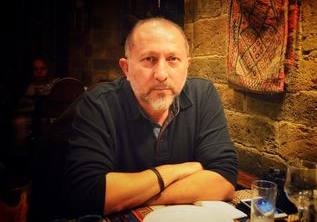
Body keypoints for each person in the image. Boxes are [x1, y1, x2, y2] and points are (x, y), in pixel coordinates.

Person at [30, 17, 238, 220]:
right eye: (149, 59)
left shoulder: (203, 95)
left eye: (173, 59)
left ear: (187, 65)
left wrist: (135, 195)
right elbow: (89, 193)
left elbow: (225, 179)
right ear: (126, 68)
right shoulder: (98, 103)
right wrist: (176, 171)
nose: (162, 74)